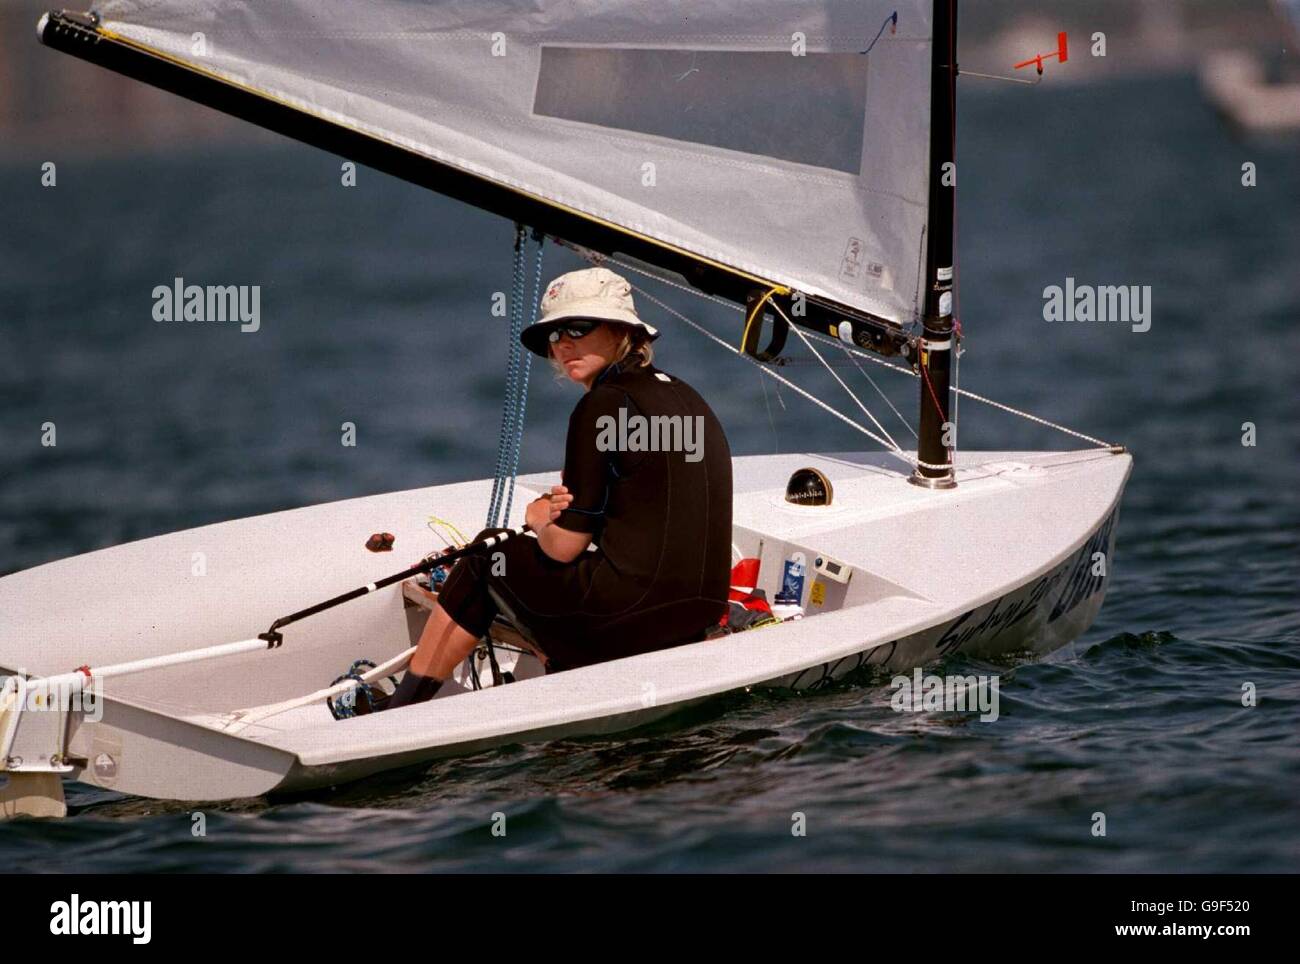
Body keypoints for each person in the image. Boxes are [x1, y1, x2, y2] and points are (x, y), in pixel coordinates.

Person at [385, 266, 733, 709]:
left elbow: (563, 548)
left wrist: (538, 517)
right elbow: (653, 499)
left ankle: (400, 711)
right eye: (553, 334)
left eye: (577, 327)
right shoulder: (689, 399)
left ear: (621, 329)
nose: (562, 343)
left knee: (484, 559)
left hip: (626, 620)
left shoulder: (601, 406)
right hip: (696, 613)